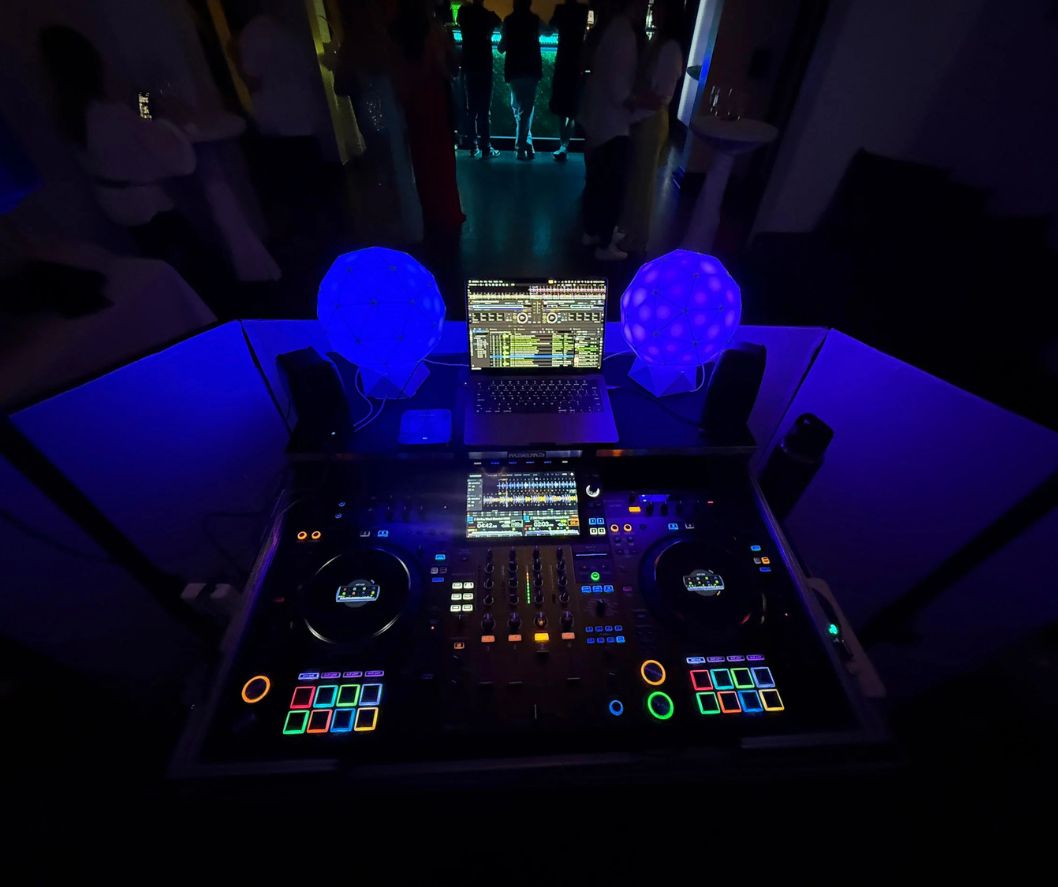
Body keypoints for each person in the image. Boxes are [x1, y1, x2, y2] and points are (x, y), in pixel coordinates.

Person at [332, 0, 424, 244]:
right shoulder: (386, 44)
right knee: (397, 167)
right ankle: (403, 225)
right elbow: (403, 84)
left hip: (369, 113)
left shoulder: (352, 46)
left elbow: (340, 86)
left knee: (379, 168)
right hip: (391, 112)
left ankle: (386, 226)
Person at [577, 0, 646, 260]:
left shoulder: (608, 29)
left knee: (596, 181)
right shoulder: (625, 33)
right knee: (612, 188)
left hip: (597, 119)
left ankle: (591, 231)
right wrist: (642, 101)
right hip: (613, 125)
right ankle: (605, 245)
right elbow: (620, 91)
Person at [389, 0, 466, 233]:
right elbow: (448, 68)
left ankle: (428, 210)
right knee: (441, 156)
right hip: (434, 97)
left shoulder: (395, 31)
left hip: (413, 100)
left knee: (421, 157)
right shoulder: (435, 30)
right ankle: (447, 209)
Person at [619, 0, 685, 254]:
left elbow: (660, 97)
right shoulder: (659, 41)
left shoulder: (670, 48)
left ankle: (637, 240)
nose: (653, 11)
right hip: (643, 118)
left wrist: (630, 106)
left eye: (658, 6)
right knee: (636, 181)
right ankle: (630, 233)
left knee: (642, 184)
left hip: (650, 120)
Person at [498, 0, 542, 161]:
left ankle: (521, 147)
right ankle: (526, 144)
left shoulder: (509, 20)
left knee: (518, 108)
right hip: (531, 69)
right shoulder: (535, 20)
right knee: (526, 109)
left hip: (514, 70)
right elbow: (549, 31)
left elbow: (501, 48)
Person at [457, 0, 502, 158]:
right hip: (484, 65)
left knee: (471, 109)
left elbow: (458, 20)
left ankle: (472, 146)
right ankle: (486, 147)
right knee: (484, 110)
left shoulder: (464, 13)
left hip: (469, 65)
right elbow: (499, 22)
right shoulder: (488, 16)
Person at [548, 0, 590, 162]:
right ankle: (564, 145)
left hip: (563, 60)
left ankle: (563, 144)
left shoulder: (560, 9)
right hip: (576, 62)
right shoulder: (583, 10)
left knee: (562, 108)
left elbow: (551, 27)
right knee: (572, 108)